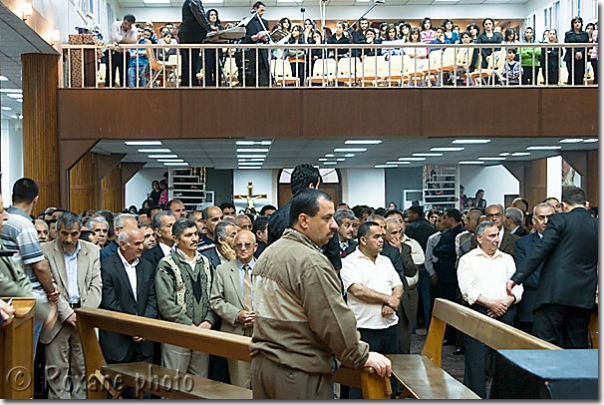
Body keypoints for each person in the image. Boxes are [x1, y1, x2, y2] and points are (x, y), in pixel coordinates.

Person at [250, 189, 392, 399]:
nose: (334, 225)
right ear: (304, 220)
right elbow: (333, 320)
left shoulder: (268, 254)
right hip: (297, 370)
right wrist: (359, 356)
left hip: (265, 367)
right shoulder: (310, 262)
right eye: (326, 218)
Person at [507, 187, 598, 348]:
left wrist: (516, 278)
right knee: (577, 345)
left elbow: (540, 250)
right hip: (584, 295)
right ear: (586, 204)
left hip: (555, 292)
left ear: (563, 205)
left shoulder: (560, 220)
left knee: (545, 344)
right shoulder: (597, 225)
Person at [458, 220, 523, 398]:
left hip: (505, 313)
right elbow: (467, 290)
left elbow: (517, 286)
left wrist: (506, 302)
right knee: (476, 365)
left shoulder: (507, 259)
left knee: (504, 364)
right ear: (480, 238)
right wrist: (490, 304)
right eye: (491, 236)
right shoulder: (467, 259)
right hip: (479, 315)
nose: (496, 240)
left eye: (498, 235)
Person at [40, 211, 102, 399]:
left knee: (83, 373)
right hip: (57, 319)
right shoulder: (45, 250)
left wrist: (82, 315)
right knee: (57, 374)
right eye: (64, 233)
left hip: (84, 319)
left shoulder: (92, 251)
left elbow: (96, 286)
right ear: (57, 231)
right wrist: (67, 313)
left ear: (80, 231)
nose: (69, 239)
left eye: (74, 234)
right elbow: (47, 286)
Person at [340, 221, 402, 399]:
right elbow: (357, 290)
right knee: (362, 381)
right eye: (376, 237)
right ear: (363, 240)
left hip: (389, 326)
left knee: (389, 377)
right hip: (364, 328)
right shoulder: (350, 262)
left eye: (382, 236)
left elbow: (398, 285)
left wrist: (393, 301)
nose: (381, 240)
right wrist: (387, 299)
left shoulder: (386, 261)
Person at [0, 178, 60, 356]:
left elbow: (16, 270)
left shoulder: (8, 224)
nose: (5, 215)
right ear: (36, 199)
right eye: (1, 211)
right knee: (22, 359)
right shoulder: (23, 224)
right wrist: (50, 293)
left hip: (17, 299)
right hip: (22, 303)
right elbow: (39, 266)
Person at [99, 227, 157, 398]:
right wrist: (132, 328)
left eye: (142, 242)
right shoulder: (107, 266)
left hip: (144, 341)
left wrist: (143, 326)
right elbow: (110, 303)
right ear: (123, 245)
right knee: (114, 393)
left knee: (144, 392)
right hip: (118, 341)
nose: (141, 247)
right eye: (137, 243)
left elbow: (153, 299)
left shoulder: (147, 265)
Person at [156, 218, 217, 377]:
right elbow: (165, 303)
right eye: (188, 235)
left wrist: (209, 320)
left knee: (200, 385)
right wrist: (187, 324)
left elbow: (215, 296)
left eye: (196, 234)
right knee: (173, 386)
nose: (195, 239)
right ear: (176, 239)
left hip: (203, 332)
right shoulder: (166, 264)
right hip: (177, 334)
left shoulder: (205, 262)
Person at [268, 163, 341, 272]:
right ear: (312, 186)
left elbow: (271, 257)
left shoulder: (275, 217)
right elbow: (334, 263)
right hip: (317, 279)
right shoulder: (323, 216)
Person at [209, 230, 257, 388]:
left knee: (263, 384)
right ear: (233, 247)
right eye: (239, 245)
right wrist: (237, 315)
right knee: (240, 384)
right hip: (235, 331)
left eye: (247, 245)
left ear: (255, 247)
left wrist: (260, 316)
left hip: (262, 332)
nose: (243, 248)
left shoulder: (265, 269)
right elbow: (215, 300)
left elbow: (274, 299)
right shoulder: (222, 270)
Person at [513, 202, 555, 335]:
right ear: (534, 221)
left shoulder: (565, 242)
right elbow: (525, 273)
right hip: (533, 306)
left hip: (558, 307)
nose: (546, 221)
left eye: (549, 217)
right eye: (541, 218)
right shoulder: (522, 244)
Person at [179, 0, 215, 87]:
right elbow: (199, 15)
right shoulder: (193, 1)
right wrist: (209, 27)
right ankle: (190, 83)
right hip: (190, 33)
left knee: (190, 60)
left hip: (189, 33)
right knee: (190, 60)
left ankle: (189, 82)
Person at [105, 14, 138, 87]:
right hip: (112, 51)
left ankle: (124, 92)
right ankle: (108, 92)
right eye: (126, 23)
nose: (127, 26)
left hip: (124, 53)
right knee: (110, 73)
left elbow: (134, 41)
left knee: (124, 74)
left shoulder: (134, 29)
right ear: (123, 20)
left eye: (129, 25)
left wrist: (122, 40)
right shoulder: (115, 25)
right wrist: (127, 41)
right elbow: (115, 38)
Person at [244, 2, 271, 86]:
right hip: (250, 51)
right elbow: (242, 37)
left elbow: (266, 36)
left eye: (264, 11)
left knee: (263, 72)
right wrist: (252, 38)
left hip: (262, 51)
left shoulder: (264, 22)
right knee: (251, 74)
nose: (262, 13)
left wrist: (265, 38)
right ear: (255, 9)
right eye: (261, 10)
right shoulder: (246, 21)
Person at [564, 16, 589, 85]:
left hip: (582, 57)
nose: (577, 24)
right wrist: (575, 53)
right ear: (572, 24)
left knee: (580, 75)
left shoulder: (585, 34)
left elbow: (587, 45)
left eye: (579, 22)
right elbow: (567, 45)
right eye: (575, 22)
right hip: (571, 57)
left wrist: (581, 53)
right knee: (572, 75)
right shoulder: (568, 34)